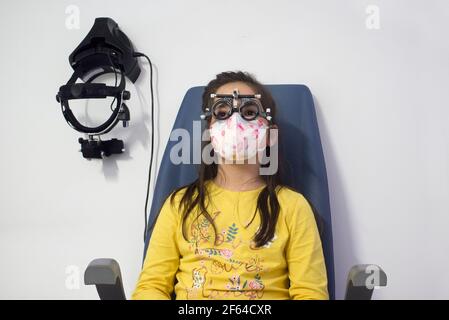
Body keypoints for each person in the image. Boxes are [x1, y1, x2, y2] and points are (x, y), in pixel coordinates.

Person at [132, 71, 329, 300]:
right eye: (223, 113)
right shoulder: (179, 204)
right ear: (210, 133)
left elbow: (311, 293)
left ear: (269, 136)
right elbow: (151, 287)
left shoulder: (293, 207)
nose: (235, 122)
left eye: (249, 112)